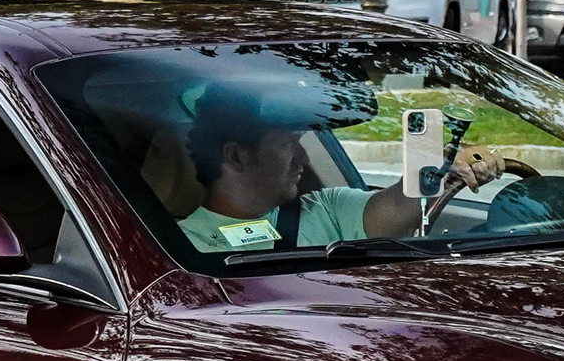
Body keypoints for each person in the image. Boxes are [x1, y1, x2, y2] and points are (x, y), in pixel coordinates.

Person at [174, 87, 505, 255]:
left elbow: (396, 207)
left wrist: (442, 167)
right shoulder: (182, 245)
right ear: (236, 156)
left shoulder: (325, 208)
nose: (303, 158)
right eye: (288, 144)